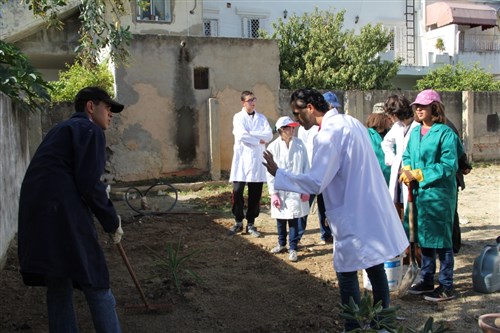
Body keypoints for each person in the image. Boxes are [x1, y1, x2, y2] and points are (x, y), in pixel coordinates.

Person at [263, 88, 408, 332]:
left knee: (347, 271)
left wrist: (279, 173)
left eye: (298, 113)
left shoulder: (328, 134)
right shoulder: (351, 122)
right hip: (368, 206)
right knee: (374, 265)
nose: (297, 120)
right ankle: (383, 323)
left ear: (310, 107)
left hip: (352, 210)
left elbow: (316, 181)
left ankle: (352, 326)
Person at [17, 86, 125, 332]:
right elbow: (89, 184)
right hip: (62, 212)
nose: (110, 114)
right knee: (96, 279)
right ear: (90, 106)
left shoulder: (60, 129)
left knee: (58, 278)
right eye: (107, 108)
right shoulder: (89, 130)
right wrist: (111, 221)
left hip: (37, 213)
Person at [400, 89, 463, 302]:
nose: (418, 109)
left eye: (423, 106)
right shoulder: (416, 132)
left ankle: (446, 285)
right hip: (419, 194)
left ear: (434, 108)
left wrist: (420, 174)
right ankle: (426, 279)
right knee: (424, 237)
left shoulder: (445, 133)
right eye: (416, 106)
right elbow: (408, 153)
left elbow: (448, 165)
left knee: (442, 241)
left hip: (438, 195)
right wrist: (407, 169)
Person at [228, 90, 273, 237]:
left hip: (256, 160)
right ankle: (238, 221)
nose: (252, 102)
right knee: (237, 191)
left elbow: (268, 135)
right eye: (249, 100)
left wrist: (252, 135)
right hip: (241, 160)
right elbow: (240, 135)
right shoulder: (238, 117)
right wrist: (257, 138)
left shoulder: (261, 118)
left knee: (255, 193)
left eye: (254, 99)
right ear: (243, 102)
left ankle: (251, 223)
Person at [295, 91, 338, 245]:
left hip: (327, 171)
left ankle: (326, 234)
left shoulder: (333, 127)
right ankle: (297, 236)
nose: (333, 109)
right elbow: (302, 148)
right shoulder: (308, 127)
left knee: (325, 204)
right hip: (311, 170)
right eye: (331, 106)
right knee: (305, 204)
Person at [266, 116, 310, 262]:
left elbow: (306, 167)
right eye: (288, 128)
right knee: (280, 218)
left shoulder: (300, 144)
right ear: (281, 130)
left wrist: (306, 188)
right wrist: (274, 193)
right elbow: (269, 172)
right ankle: (281, 243)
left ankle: (293, 248)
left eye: (293, 127)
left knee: (294, 219)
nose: (292, 130)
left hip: (296, 188)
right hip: (280, 189)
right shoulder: (272, 147)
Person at [381, 95, 419, 220]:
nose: (390, 118)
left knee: (411, 202)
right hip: (398, 170)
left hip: (413, 170)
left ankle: (412, 235)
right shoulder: (397, 127)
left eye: (391, 114)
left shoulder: (417, 126)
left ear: (398, 113)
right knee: (398, 201)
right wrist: (392, 159)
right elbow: (386, 143)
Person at [366, 102, 393, 185]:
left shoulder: (392, 133)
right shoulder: (367, 135)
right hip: (374, 181)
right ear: (382, 119)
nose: (391, 120)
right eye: (389, 118)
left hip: (390, 180)